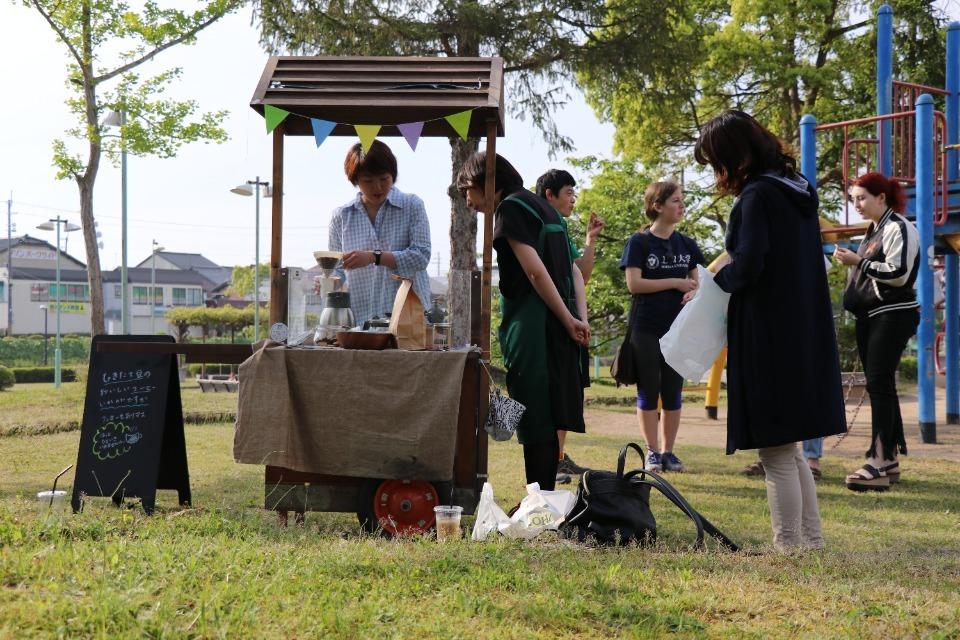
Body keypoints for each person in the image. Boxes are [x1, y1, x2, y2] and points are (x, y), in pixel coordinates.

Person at [694, 109, 846, 551]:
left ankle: (789, 547)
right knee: (790, 448)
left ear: (736, 157)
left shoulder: (759, 196)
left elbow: (750, 264)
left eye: (717, 162)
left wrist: (709, 285)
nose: (718, 174)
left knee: (776, 452)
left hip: (768, 331)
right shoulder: (798, 189)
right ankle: (810, 543)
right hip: (801, 327)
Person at [457, 152, 590, 491]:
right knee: (547, 410)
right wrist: (578, 319)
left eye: (467, 191)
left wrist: (566, 318)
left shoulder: (512, 208)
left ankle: (539, 500)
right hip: (559, 325)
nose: (468, 201)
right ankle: (542, 496)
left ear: (485, 181)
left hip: (535, 326)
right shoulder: (545, 208)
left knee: (534, 415)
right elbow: (575, 271)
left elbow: (534, 270)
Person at [834, 172, 919, 491]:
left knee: (880, 384)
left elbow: (899, 273)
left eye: (862, 197)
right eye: (853, 198)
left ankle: (879, 460)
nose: (856, 204)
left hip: (892, 314)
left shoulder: (899, 227)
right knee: (879, 385)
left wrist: (859, 262)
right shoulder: (873, 230)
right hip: (872, 316)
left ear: (881, 197)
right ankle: (889, 459)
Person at [619, 180, 706, 472]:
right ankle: (652, 452)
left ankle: (669, 452)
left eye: (682, 200)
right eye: (675, 201)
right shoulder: (639, 242)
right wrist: (675, 282)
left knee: (673, 391)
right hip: (646, 328)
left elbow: (698, 282)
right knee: (649, 389)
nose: (682, 206)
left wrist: (693, 290)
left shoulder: (687, 244)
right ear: (657, 206)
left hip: (679, 330)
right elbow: (634, 284)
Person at [535, 169, 605, 481]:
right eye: (568, 193)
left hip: (569, 324)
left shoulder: (561, 229)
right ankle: (548, 461)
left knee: (566, 393)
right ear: (549, 195)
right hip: (546, 325)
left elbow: (580, 275)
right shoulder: (539, 227)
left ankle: (558, 458)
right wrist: (570, 318)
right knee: (551, 396)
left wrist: (590, 240)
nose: (573, 200)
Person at [328, 140, 432, 326]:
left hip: (408, 322)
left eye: (384, 179)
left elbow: (421, 256)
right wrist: (328, 282)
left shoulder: (412, 205)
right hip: (361, 322)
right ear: (355, 180)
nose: (377, 187)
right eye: (368, 181)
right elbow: (338, 269)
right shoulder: (341, 216)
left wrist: (374, 257)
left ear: (393, 175)